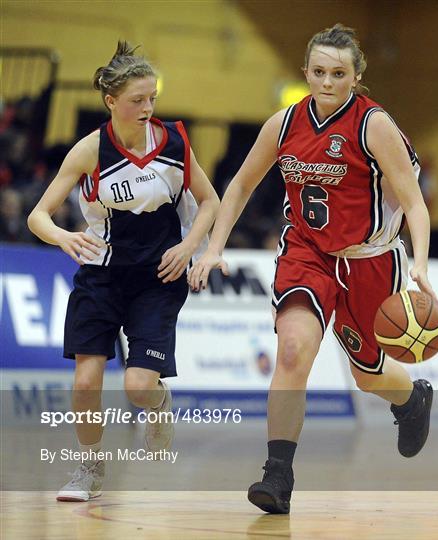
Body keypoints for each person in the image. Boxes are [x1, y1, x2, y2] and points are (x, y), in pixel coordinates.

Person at [188, 24, 437, 514]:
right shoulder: (284, 124)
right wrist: (215, 246)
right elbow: (239, 185)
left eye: (338, 73)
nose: (327, 82)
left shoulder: (374, 125)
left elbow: (415, 203)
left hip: (369, 259)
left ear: (356, 77)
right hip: (307, 252)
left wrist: (422, 267)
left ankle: (411, 400)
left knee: (368, 376)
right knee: (294, 351)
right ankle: (277, 477)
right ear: (306, 72)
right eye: (319, 72)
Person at [28, 41, 219, 501]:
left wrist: (190, 245)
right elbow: (38, 215)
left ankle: (158, 402)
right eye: (137, 100)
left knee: (137, 388)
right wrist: (63, 237)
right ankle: (89, 470)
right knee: (86, 382)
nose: (147, 108)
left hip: (158, 277)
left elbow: (211, 201)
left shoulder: (175, 142)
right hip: (101, 275)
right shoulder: (89, 150)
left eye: (152, 97)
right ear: (111, 102)